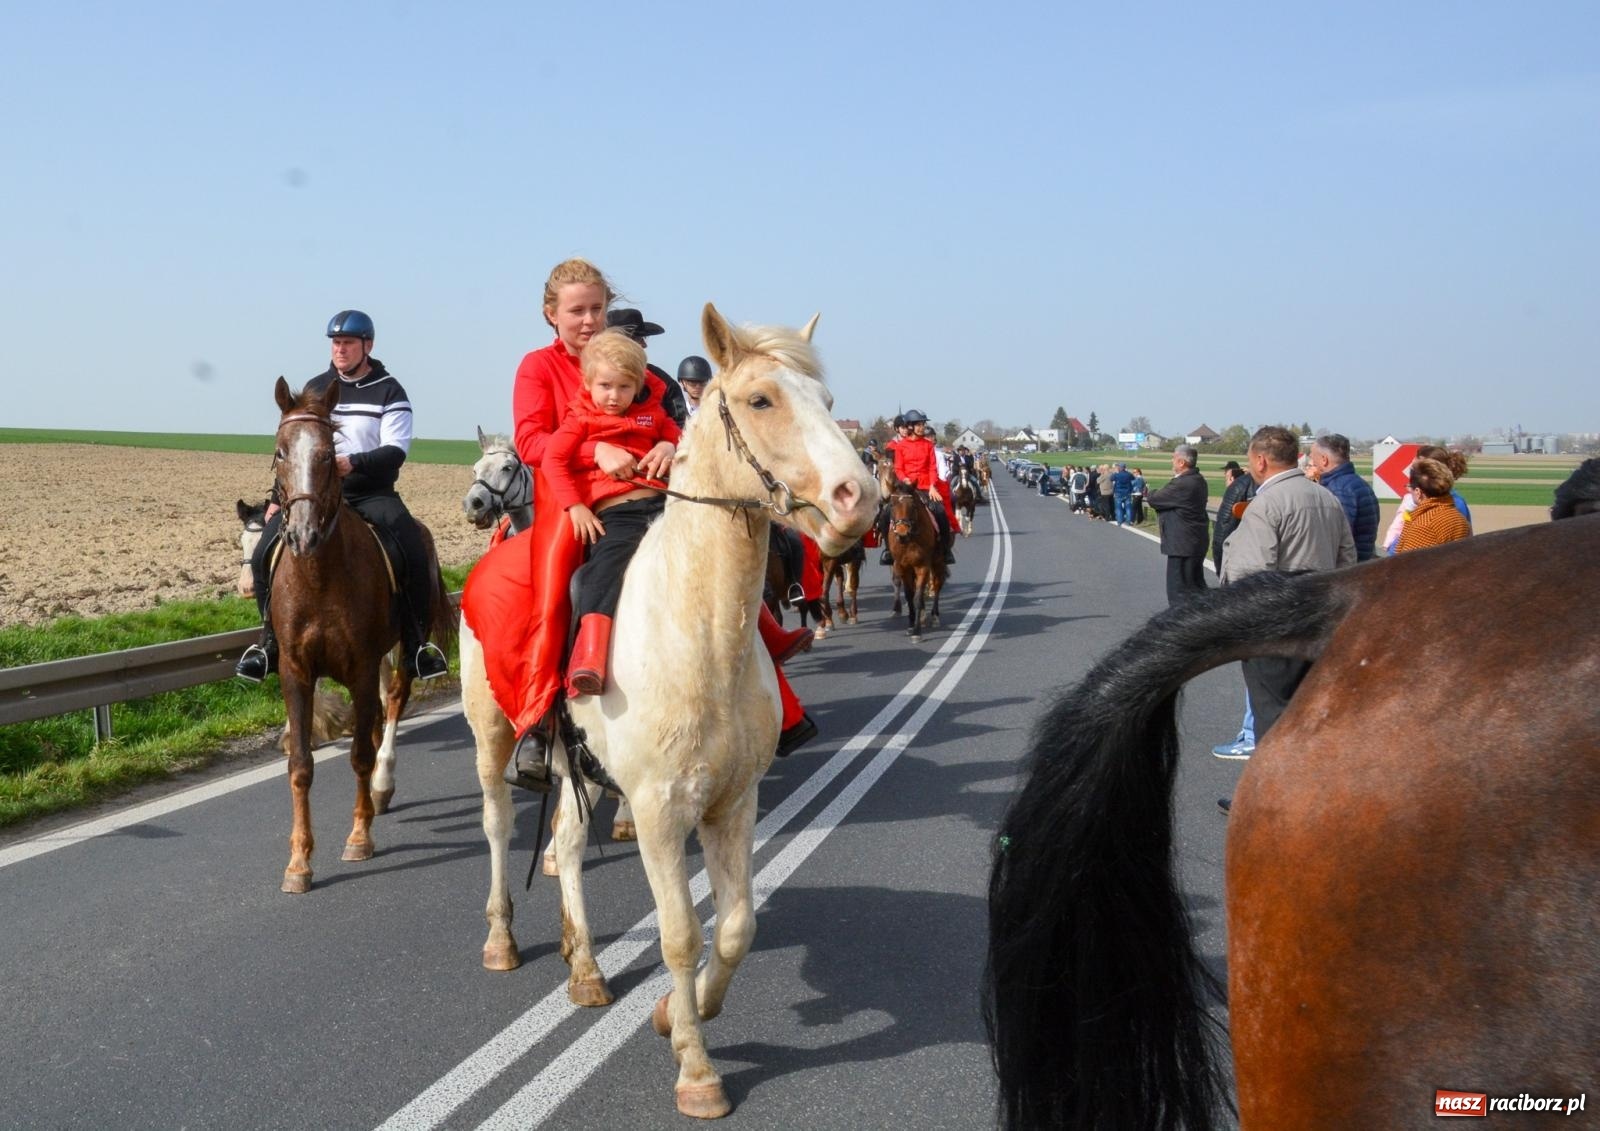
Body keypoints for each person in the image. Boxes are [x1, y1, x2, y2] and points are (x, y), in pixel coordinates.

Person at [480, 258, 816, 791]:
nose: (589, 320)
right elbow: (532, 444)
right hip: (575, 504)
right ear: (551, 315)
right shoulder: (537, 367)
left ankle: (780, 699)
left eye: (597, 308)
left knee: (717, 573)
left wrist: (665, 445)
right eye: (576, 311)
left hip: (652, 495)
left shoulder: (634, 366)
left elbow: (676, 425)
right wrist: (598, 448)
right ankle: (539, 726)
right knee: (553, 595)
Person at [236, 310, 448, 683]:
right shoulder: (315, 389)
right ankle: (268, 644)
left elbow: (395, 450)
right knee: (263, 551)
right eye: (335, 343)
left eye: (348, 343)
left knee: (413, 548)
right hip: (312, 496)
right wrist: (274, 499)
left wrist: (354, 463)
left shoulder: (389, 391)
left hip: (370, 493)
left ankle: (416, 646)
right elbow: (294, 453)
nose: (340, 350)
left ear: (368, 345)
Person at [1217, 426, 1355, 813]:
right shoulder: (1327, 499)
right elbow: (1348, 562)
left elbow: (1250, 577)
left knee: (1271, 717)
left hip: (1276, 632)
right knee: (1310, 717)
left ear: (1260, 460)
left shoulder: (1267, 504)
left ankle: (1270, 802)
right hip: (1322, 625)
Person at [542, 329, 679, 696]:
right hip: (620, 514)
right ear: (587, 383)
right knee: (604, 570)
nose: (613, 396)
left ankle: (766, 632)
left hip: (668, 506)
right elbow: (553, 459)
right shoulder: (580, 420)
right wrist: (576, 507)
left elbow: (678, 436)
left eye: (623, 387)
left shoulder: (653, 415)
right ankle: (590, 655)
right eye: (605, 386)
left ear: (638, 386)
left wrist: (668, 445)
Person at [1210, 460, 1257, 760]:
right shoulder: (1323, 495)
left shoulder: (1257, 497)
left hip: (1266, 601)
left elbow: (1226, 533)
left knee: (1259, 672)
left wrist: (1227, 585)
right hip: (1317, 598)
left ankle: (1252, 737)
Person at [1145, 445, 1209, 605]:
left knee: (1179, 592)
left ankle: (1181, 625)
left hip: (1182, 544)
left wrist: (1150, 492)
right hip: (1192, 541)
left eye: (1173, 458)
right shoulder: (1198, 479)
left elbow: (1155, 499)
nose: (1171, 461)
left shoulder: (1183, 483)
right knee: (1195, 588)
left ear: (1181, 462)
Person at [891, 409, 956, 564]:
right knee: (887, 513)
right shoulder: (901, 446)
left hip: (926, 487)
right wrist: (904, 479)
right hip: (907, 488)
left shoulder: (928, 445)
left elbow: (932, 468)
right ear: (911, 426)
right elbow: (898, 468)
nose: (922, 427)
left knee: (941, 512)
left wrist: (933, 486)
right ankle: (889, 551)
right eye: (919, 424)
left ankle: (945, 550)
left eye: (923, 424)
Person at [1381, 445, 1472, 554]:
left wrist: (1389, 547)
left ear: (1418, 492)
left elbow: (1405, 563)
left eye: (1410, 487)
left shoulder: (1424, 525)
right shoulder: (1456, 515)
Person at [606, 307, 687, 427]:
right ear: (621, 343)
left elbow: (679, 429)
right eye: (639, 339)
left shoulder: (665, 384)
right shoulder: (589, 379)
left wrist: (664, 444)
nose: (644, 345)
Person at [1307, 433, 1379, 561]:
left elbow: (1337, 536)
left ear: (1324, 460)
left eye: (1313, 457)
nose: (1311, 462)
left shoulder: (1339, 489)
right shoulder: (1358, 483)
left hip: (1349, 570)